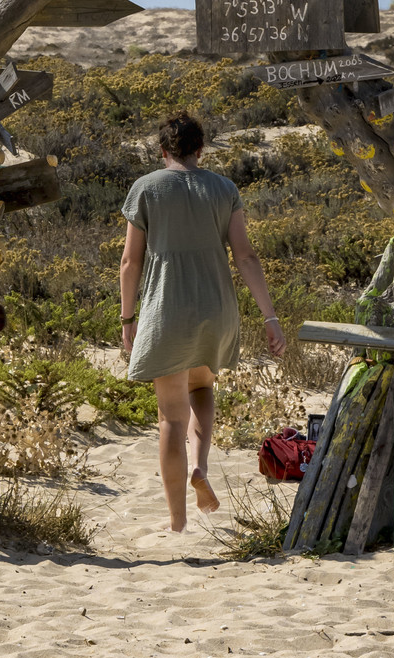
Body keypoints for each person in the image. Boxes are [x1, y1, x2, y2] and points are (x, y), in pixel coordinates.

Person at [119, 110, 287, 532]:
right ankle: (200, 465)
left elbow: (129, 263)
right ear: (200, 149)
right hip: (216, 309)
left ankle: (177, 522)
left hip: (167, 311)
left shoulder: (146, 188)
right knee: (201, 386)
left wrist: (127, 318)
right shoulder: (224, 188)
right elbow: (246, 256)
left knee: (171, 419)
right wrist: (270, 317)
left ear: (163, 151)